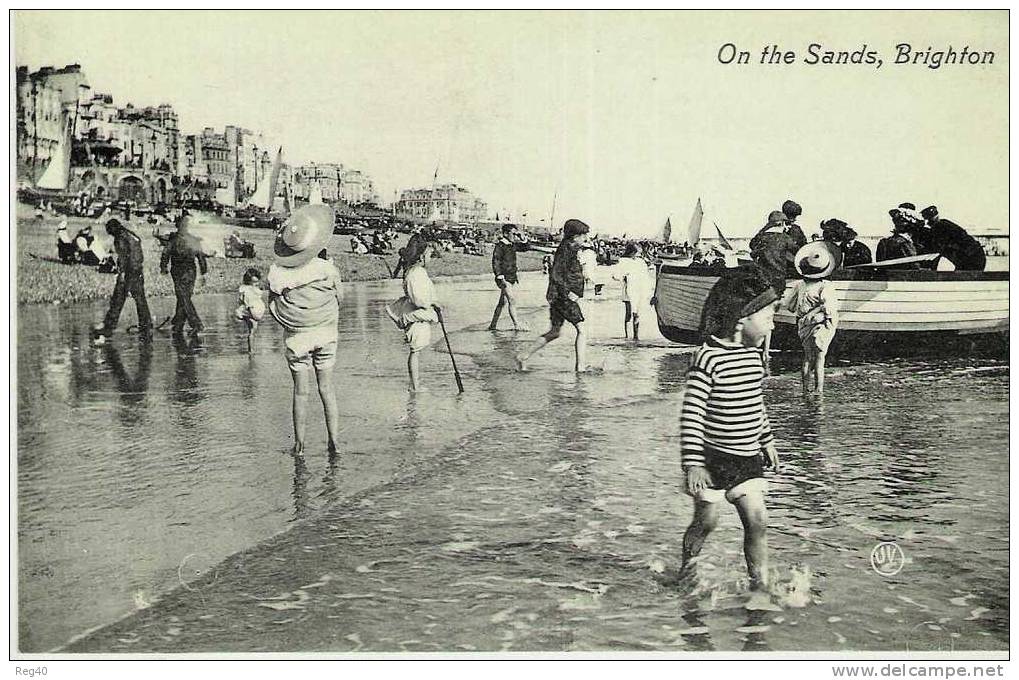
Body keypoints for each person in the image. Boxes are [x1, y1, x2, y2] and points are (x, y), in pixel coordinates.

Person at [680, 267, 781, 592]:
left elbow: (756, 404)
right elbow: (692, 414)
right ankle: (687, 569)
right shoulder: (707, 359)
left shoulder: (753, 358)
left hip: (747, 459)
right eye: (768, 317)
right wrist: (693, 463)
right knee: (707, 521)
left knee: (758, 521)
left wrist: (766, 440)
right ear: (742, 320)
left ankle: (759, 585)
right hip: (711, 460)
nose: (773, 324)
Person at [267, 204, 344, 456]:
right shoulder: (327, 269)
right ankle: (334, 441)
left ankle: (299, 445)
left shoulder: (277, 273)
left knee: (301, 392)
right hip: (325, 333)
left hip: (297, 337)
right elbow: (339, 298)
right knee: (327, 388)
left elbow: (273, 302)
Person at [516, 218, 591, 373]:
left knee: (555, 331)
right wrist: (569, 293)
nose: (586, 238)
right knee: (582, 330)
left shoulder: (569, 249)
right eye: (583, 235)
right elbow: (556, 275)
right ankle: (581, 368)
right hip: (563, 297)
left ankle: (524, 355)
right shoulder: (566, 251)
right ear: (574, 236)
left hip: (558, 296)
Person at [783, 243, 840, 395]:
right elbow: (829, 308)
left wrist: (806, 311)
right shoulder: (825, 286)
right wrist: (817, 310)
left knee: (807, 357)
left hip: (804, 324)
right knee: (820, 358)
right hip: (821, 324)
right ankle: (819, 389)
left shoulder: (799, 285)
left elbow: (789, 305)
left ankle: (805, 389)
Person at [385, 238, 440, 391]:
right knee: (415, 350)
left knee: (417, 349)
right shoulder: (415, 273)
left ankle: (415, 384)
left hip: (418, 313)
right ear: (421, 256)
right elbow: (419, 299)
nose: (430, 258)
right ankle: (415, 386)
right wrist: (431, 304)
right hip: (416, 314)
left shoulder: (416, 272)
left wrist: (432, 302)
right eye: (429, 255)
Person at [92, 219, 152, 342]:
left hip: (130, 272)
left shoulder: (120, 238)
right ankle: (146, 325)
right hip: (137, 270)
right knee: (140, 299)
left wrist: (123, 273)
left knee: (118, 299)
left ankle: (109, 327)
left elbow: (125, 257)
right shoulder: (130, 234)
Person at [160, 215, 209, 337]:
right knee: (184, 296)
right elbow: (201, 257)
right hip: (190, 270)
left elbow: (165, 253)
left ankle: (196, 324)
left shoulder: (174, 239)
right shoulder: (193, 240)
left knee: (183, 297)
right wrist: (203, 272)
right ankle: (179, 323)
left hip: (179, 270)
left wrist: (163, 267)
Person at [488, 224, 529, 331]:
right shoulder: (500, 246)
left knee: (502, 302)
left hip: (511, 277)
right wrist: (499, 276)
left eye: (516, 234)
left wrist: (522, 238)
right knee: (512, 299)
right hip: (503, 277)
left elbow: (525, 248)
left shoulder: (512, 245)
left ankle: (493, 325)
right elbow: (496, 261)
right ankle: (516, 324)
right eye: (513, 234)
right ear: (506, 234)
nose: (515, 236)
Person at [920, 206, 986, 271]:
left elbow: (937, 251)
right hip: (975, 256)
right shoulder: (945, 224)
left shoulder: (940, 228)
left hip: (972, 258)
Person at [611, 242, 654, 340]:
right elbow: (615, 275)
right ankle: (626, 335)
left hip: (639, 289)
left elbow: (646, 274)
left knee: (637, 313)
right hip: (628, 290)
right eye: (637, 252)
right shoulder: (623, 261)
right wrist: (623, 277)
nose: (638, 255)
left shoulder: (640, 262)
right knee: (629, 313)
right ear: (631, 252)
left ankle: (636, 335)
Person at [235, 267, 266, 354]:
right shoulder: (247, 290)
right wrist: (250, 309)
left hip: (249, 310)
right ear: (248, 282)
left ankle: (251, 350)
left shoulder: (249, 289)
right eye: (253, 282)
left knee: (252, 330)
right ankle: (251, 351)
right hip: (248, 311)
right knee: (252, 329)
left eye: (256, 282)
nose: (255, 284)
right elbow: (246, 301)